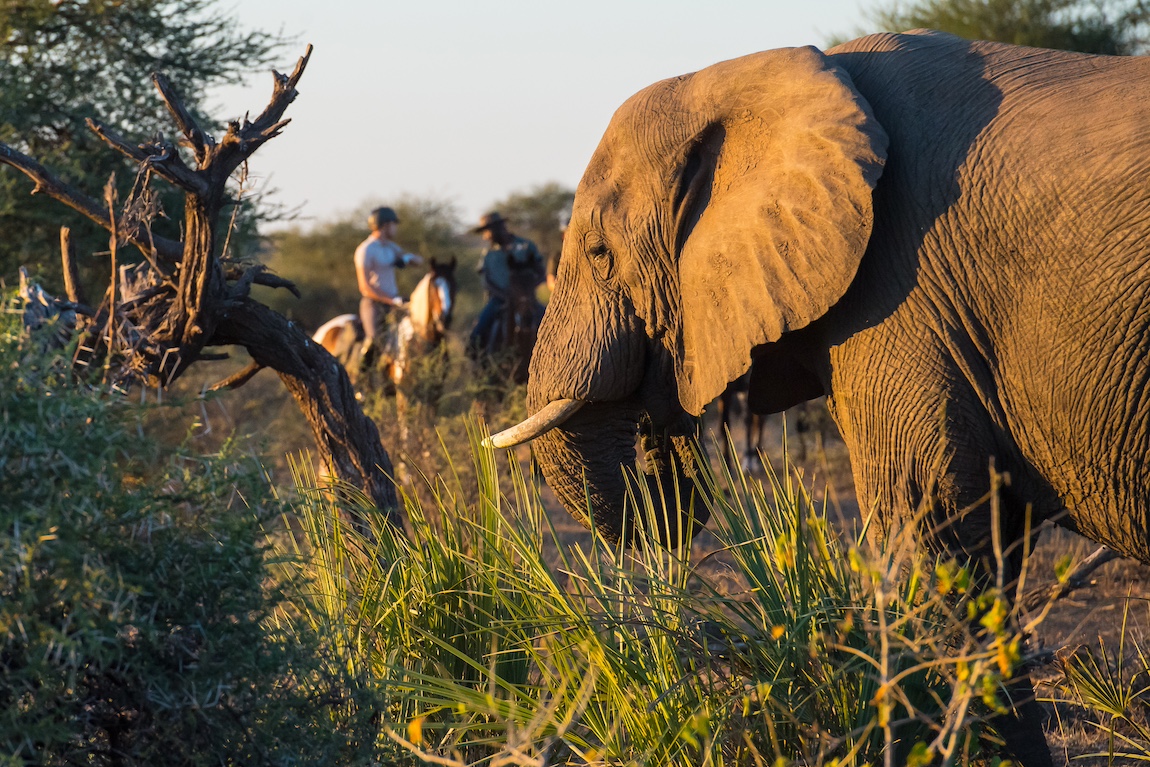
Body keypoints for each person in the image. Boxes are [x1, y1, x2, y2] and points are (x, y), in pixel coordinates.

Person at [468, 211, 546, 358]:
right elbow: (486, 281)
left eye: (488, 231)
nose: (486, 235)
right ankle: (481, 364)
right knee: (478, 331)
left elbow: (540, 271)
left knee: (552, 323)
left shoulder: (525, 246)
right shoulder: (488, 254)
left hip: (526, 298)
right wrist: (504, 295)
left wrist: (526, 290)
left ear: (499, 227)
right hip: (498, 299)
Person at [355, 206, 423, 357]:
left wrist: (407, 258)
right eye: (394, 225)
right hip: (374, 304)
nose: (396, 228)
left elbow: (419, 261)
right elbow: (365, 287)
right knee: (373, 342)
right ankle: (361, 375)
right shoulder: (366, 249)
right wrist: (392, 300)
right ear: (385, 225)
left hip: (395, 304)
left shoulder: (391, 247)